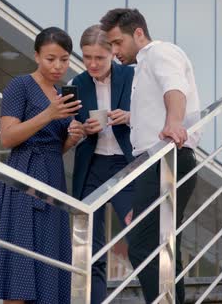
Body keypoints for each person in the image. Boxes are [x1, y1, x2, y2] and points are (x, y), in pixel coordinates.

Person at [100, 8, 201, 303]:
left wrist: (174, 122)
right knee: (165, 248)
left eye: (118, 43)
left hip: (167, 158)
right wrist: (133, 117)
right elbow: (158, 103)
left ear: (139, 33)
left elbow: (175, 88)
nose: (115, 51)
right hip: (156, 162)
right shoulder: (141, 67)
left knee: (143, 246)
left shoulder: (159, 53)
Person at [0, 27, 84, 304]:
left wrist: (71, 139)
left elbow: (54, 146)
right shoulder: (21, 85)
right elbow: (8, 136)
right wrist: (49, 114)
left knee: (49, 262)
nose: (58, 66)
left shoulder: (63, 94)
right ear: (36, 56)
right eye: (51, 59)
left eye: (64, 59)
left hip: (53, 180)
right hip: (24, 177)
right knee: (20, 260)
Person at [70, 24, 135, 304]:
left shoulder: (133, 75)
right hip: (92, 168)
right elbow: (69, 127)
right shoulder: (76, 84)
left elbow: (153, 114)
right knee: (89, 250)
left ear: (112, 53)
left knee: (141, 235)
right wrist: (81, 129)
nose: (93, 64)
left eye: (100, 57)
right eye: (87, 57)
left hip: (127, 165)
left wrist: (130, 117)